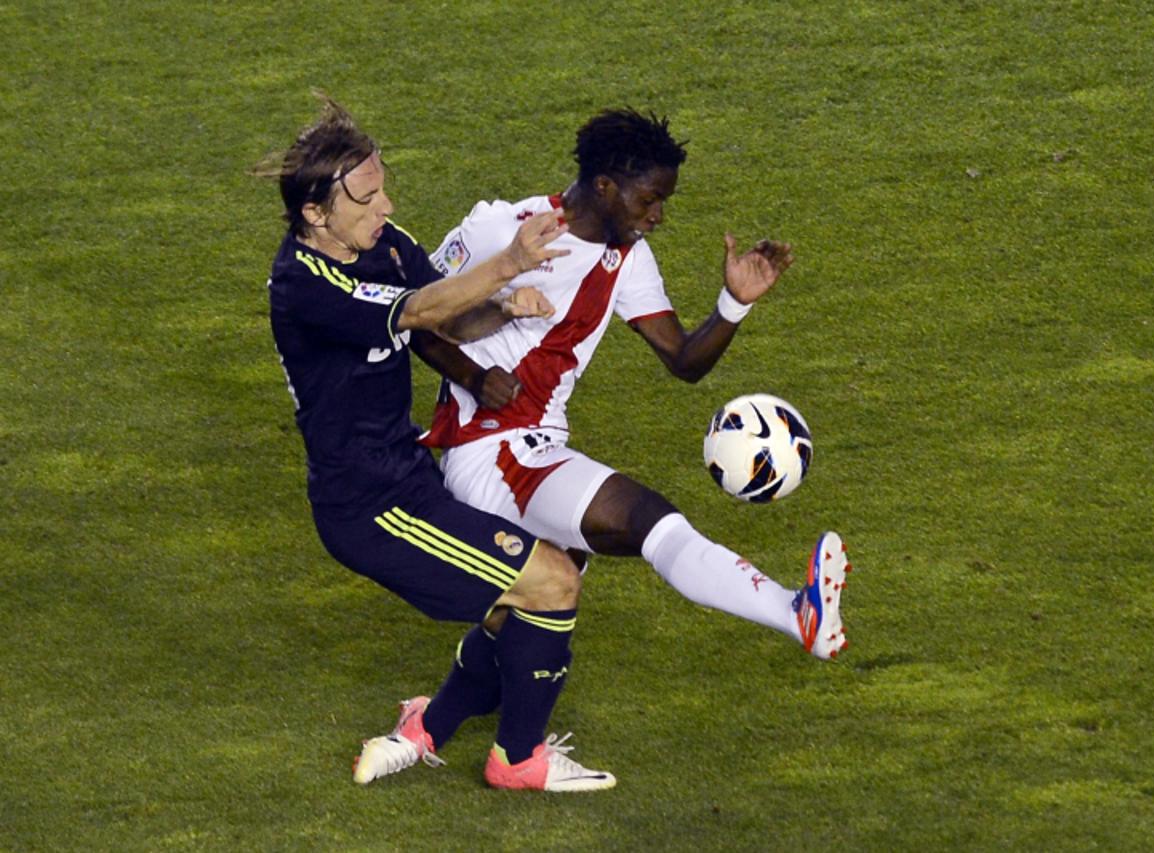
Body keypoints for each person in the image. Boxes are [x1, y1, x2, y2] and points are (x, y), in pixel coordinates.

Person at [258, 96, 615, 792]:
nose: (386, 205)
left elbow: (440, 322)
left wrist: (501, 306)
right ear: (314, 213)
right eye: (366, 197)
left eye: (384, 185)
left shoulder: (382, 243)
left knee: (532, 583)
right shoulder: (303, 286)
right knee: (551, 582)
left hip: (407, 474)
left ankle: (426, 727)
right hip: (367, 507)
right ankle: (518, 759)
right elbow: (418, 309)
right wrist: (510, 261)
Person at [414, 108, 851, 666]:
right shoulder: (503, 229)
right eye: (649, 200)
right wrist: (473, 376)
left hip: (536, 444)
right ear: (604, 187)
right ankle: (796, 613)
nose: (659, 215)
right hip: (489, 450)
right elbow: (410, 319)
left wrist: (734, 304)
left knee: (532, 612)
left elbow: (684, 360)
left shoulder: (627, 258)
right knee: (648, 522)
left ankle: (432, 731)